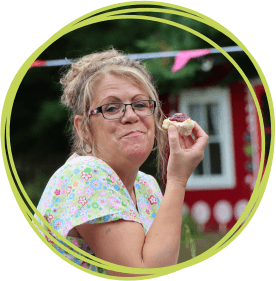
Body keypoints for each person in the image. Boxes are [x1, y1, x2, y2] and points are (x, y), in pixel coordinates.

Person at [33, 48, 209, 277]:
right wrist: (177, 180)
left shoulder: (146, 187)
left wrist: (176, 181)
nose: (131, 116)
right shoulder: (84, 174)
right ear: (83, 128)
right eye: (112, 108)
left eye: (140, 104)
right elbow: (140, 275)